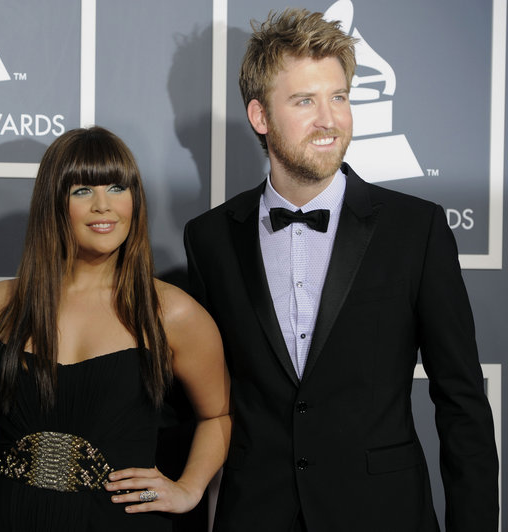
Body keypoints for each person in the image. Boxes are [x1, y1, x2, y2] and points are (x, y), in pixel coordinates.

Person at [184, 8, 498, 532]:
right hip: (256, 514)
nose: (329, 119)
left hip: (384, 513)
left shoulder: (415, 229)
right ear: (260, 117)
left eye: (339, 97)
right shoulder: (211, 238)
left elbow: (462, 402)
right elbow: (202, 405)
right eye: (305, 101)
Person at [0, 126, 230, 531]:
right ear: (54, 203)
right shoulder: (2, 304)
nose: (104, 206)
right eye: (82, 190)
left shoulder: (170, 312)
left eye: (118, 188)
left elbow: (220, 415)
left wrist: (188, 488)